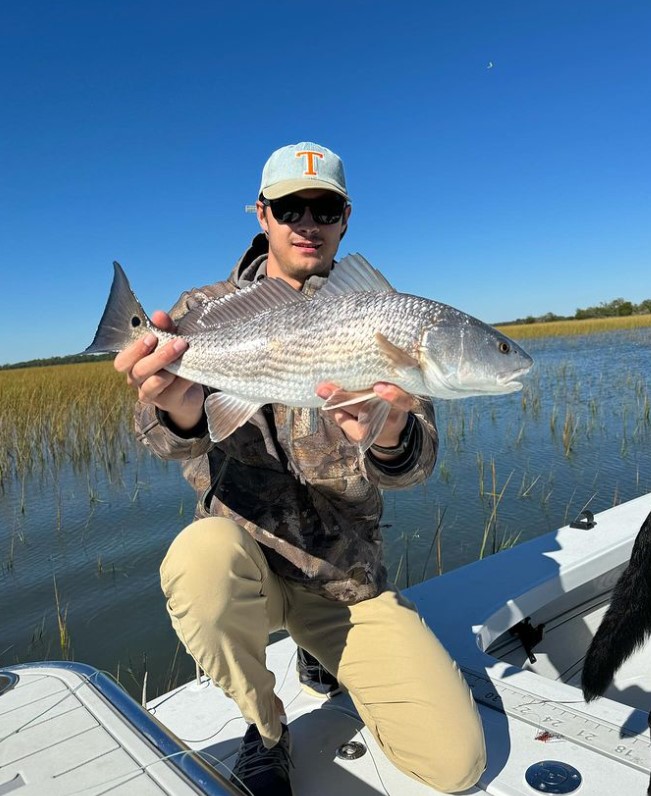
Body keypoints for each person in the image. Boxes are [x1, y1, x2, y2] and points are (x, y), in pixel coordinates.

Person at [114, 141, 486, 795]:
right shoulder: (203, 309)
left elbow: (413, 466)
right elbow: (164, 439)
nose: (306, 223)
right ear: (261, 214)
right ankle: (265, 730)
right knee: (197, 562)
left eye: (325, 208)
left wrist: (390, 430)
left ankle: (324, 653)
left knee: (455, 764)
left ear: (346, 218)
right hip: (246, 565)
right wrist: (176, 411)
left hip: (344, 582)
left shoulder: (387, 315)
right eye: (290, 207)